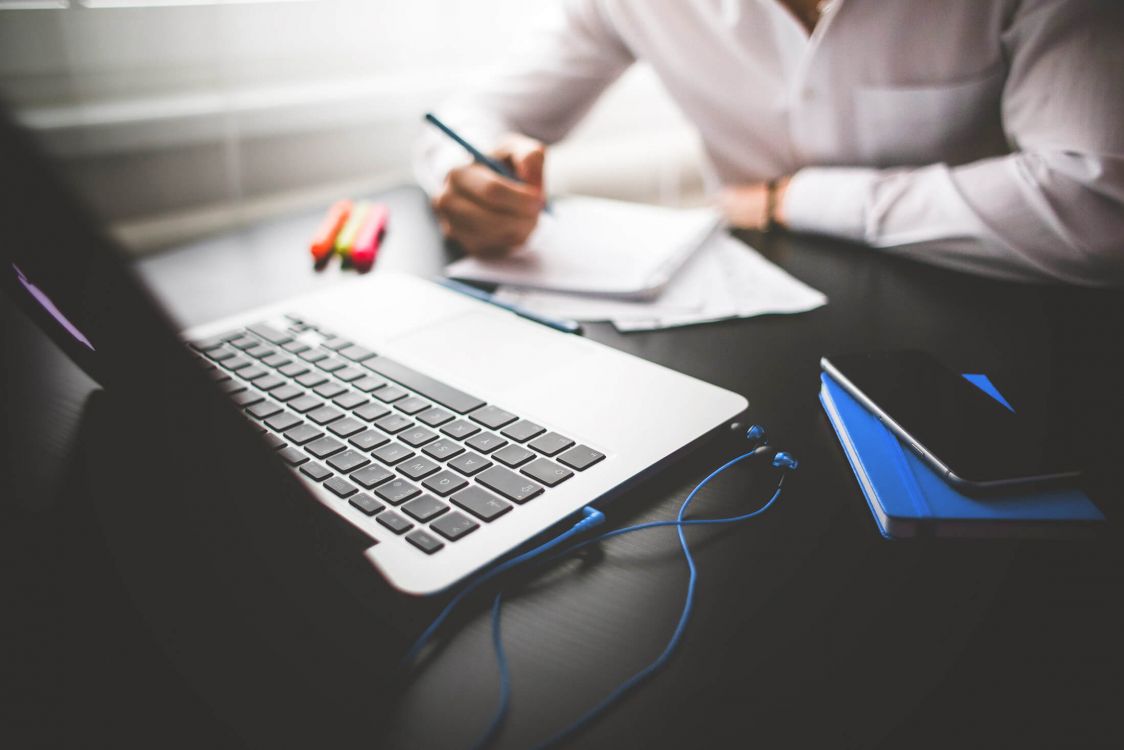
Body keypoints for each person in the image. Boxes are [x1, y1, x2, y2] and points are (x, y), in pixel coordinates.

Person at [415, 0, 1124, 286]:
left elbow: (1094, 201)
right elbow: (471, 115)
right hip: (752, 313)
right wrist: (465, 176)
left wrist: (795, 199)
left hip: (993, 307)